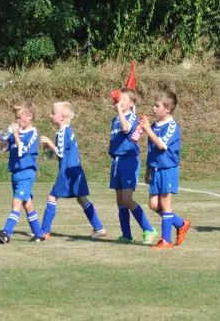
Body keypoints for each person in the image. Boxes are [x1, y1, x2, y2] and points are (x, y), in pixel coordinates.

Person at [39, 102, 106, 240]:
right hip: (75, 171)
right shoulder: (66, 132)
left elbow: (60, 153)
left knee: (51, 197)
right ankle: (99, 228)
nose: (50, 115)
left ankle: (44, 231)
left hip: (67, 172)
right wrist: (49, 148)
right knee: (82, 199)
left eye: (53, 113)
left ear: (62, 117)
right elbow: (59, 153)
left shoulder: (63, 132)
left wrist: (49, 142)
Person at [139, 91, 190, 249]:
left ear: (167, 109)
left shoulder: (172, 126)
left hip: (168, 169)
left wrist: (147, 129)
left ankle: (166, 240)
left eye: (157, 106)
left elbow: (161, 145)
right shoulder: (154, 126)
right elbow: (152, 150)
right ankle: (181, 223)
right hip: (155, 169)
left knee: (164, 203)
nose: (153, 109)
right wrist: (148, 170)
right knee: (154, 205)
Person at [109, 88, 158, 244]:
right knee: (120, 200)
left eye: (123, 99)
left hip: (128, 161)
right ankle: (126, 235)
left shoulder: (132, 117)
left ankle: (148, 229)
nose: (119, 101)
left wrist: (118, 108)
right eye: (119, 99)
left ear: (131, 103)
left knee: (127, 199)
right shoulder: (115, 119)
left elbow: (125, 128)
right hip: (116, 161)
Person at [0, 102, 45, 243]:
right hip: (15, 172)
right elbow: (3, 148)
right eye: (15, 118)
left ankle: (6, 233)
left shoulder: (33, 133)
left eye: (19, 118)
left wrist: (16, 134)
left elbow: (22, 151)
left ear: (30, 116)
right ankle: (39, 234)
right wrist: (5, 136)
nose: (17, 121)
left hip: (26, 172)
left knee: (16, 202)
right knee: (27, 204)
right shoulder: (16, 132)